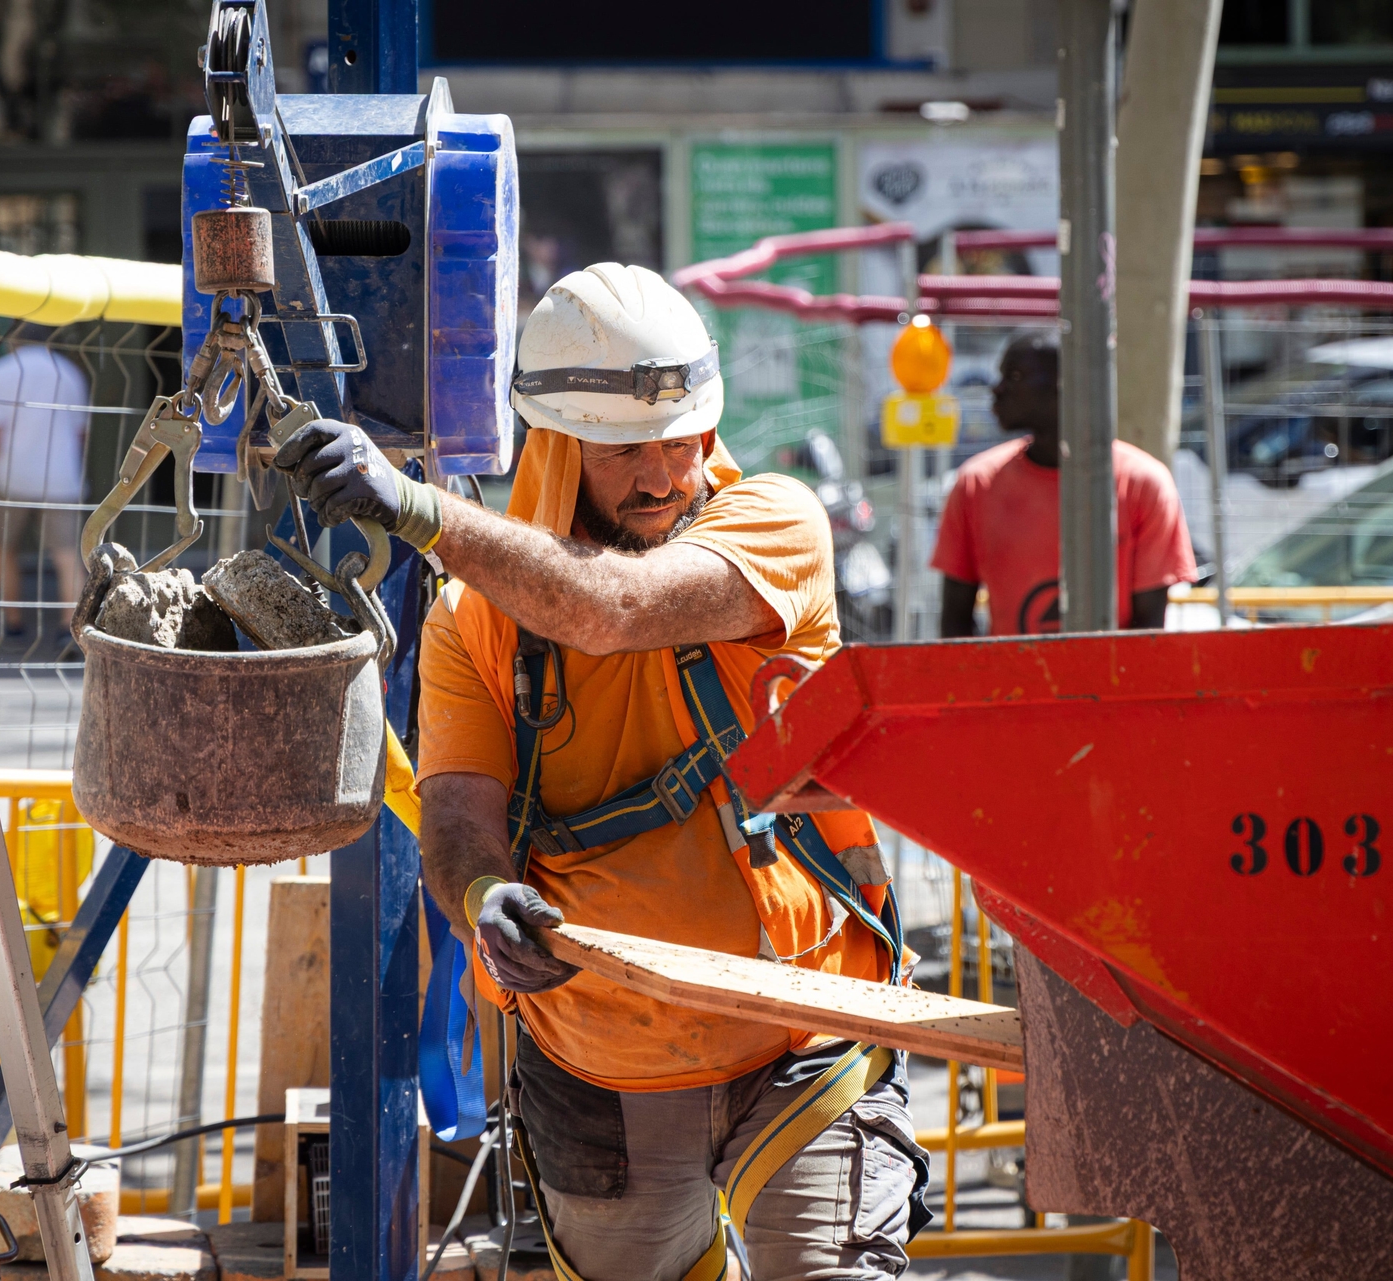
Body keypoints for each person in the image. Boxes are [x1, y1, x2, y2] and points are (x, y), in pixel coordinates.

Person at [275, 264, 927, 1281]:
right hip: (597, 1055)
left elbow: (611, 610)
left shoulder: (775, 525)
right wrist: (482, 896)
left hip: (805, 1029)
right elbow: (458, 817)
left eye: (683, 439)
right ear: (555, 446)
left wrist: (415, 508)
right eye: (625, 451)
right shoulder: (470, 624)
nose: (664, 476)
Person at [934, 332, 1197, 637]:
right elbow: (955, 624)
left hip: (1109, 668)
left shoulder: (1143, 485)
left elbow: (1148, 632)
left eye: (1015, 376)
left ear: (1064, 386)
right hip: (1014, 670)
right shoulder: (977, 484)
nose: (997, 389)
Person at [0, 341, 90, 641]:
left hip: (13, 475)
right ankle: (70, 626)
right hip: (61, 476)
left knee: (5, 548)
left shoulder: (0, 371)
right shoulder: (69, 372)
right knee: (67, 553)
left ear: (13, 339)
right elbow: (81, 433)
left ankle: (13, 623)